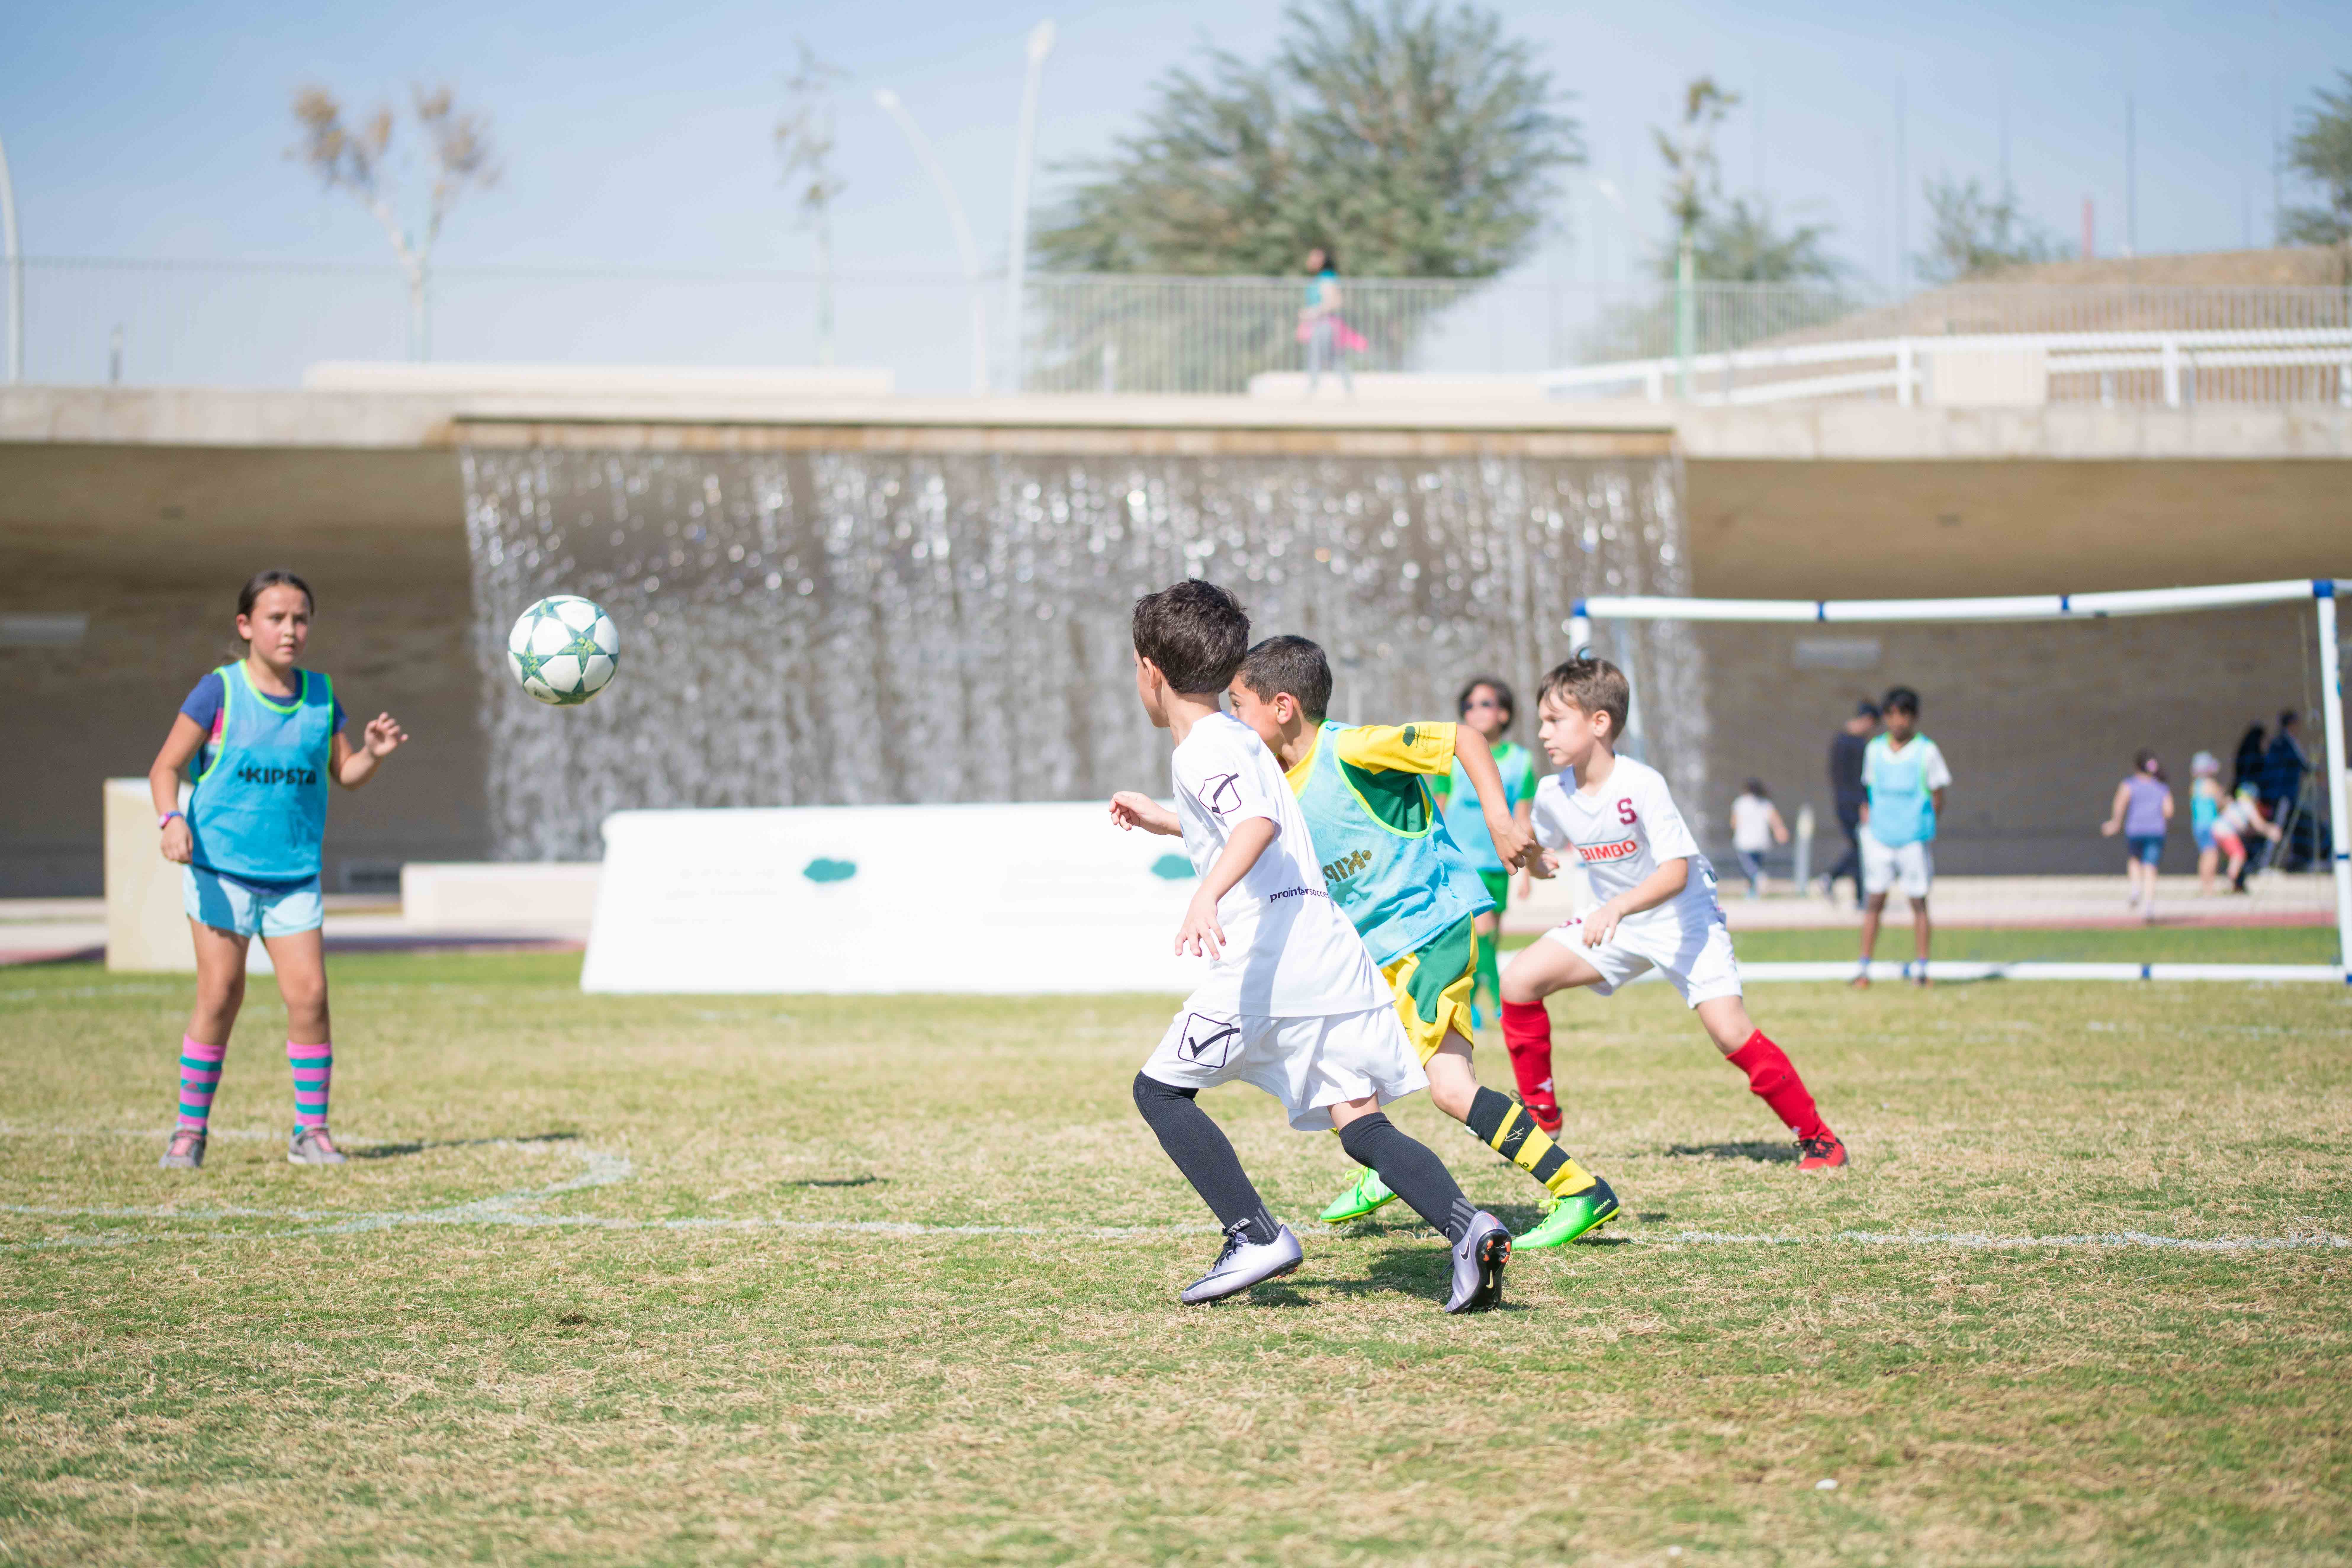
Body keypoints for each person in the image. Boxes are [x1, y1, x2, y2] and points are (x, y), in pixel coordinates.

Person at [1108, 581, 1512, 1312]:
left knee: (1159, 1090)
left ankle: (1253, 1233)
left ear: (1149, 671)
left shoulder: (1203, 747)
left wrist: (1204, 895)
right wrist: (1170, 822)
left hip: (1269, 956)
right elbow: (1262, 817)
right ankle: (1465, 1225)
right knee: (1357, 1119)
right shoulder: (1238, 737)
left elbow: (1256, 823)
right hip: (1329, 949)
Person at [1226, 637, 1621, 1252]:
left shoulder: (1350, 747)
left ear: (1283, 707)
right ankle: (1380, 1167)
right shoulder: (1276, 781)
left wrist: (1497, 816)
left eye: (1238, 704)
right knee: (1343, 1076)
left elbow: (1465, 740)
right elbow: (1245, 830)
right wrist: (1160, 816)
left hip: (1433, 928)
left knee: (1451, 1088)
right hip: (1378, 953)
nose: (1232, 721)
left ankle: (1578, 1189)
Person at [1498, 657, 1849, 1170]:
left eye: (1554, 721)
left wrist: (1614, 907)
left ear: (1599, 723)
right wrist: (1531, 856)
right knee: (1518, 981)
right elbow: (1545, 862)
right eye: (1541, 721)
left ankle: (1819, 1140)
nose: (1542, 733)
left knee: (1729, 1032)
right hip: (1615, 922)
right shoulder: (1552, 794)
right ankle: (1542, 1116)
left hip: (1682, 920)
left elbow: (1675, 874)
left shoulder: (1641, 784)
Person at [150, 569, 409, 1170]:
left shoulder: (321, 695)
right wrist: (171, 819)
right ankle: (189, 1134)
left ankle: (310, 1132)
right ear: (246, 626)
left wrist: (371, 752)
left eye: (300, 618)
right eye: (275, 618)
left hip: (293, 876)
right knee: (220, 995)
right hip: (222, 871)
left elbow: (344, 774)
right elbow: (166, 767)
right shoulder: (217, 692)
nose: (290, 629)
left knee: (311, 996)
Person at [1429, 675, 1537, 1024]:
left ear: (1505, 713)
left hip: (1499, 862)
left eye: (1486, 704)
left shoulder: (1521, 761)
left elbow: (1523, 816)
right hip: (1462, 861)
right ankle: (1500, 1003)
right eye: (1470, 706)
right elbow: (1439, 808)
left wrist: (1529, 867)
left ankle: (1474, 1001)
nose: (1476, 712)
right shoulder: (1451, 758)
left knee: (1491, 937)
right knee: (1483, 931)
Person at [1853, 687, 1950, 988]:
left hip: (1913, 838)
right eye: (1892, 714)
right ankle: (1864, 968)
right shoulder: (1874, 750)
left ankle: (1923, 968)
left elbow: (1938, 793)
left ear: (1914, 717)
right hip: (1880, 838)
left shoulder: (1927, 750)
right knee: (1874, 901)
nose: (1897, 721)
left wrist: (1923, 823)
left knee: (1918, 902)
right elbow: (1868, 791)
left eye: (1904, 714)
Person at [2099, 750, 2174, 923]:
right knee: (2151, 867)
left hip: (2136, 830)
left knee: (2135, 860)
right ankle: (2149, 906)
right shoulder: (2161, 787)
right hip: (2156, 831)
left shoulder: (2130, 784)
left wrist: (2116, 822)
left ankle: (2135, 889)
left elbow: (2120, 803)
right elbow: (2169, 811)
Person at [1820, 702, 1880, 908]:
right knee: (1861, 849)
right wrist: (1865, 804)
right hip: (1855, 804)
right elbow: (1861, 779)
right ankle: (1832, 877)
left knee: (1858, 847)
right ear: (1869, 721)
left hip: (1841, 801)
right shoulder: (1860, 745)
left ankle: (1860, 897)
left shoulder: (1839, 741)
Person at [1297, 245, 1361, 398]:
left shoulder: (1327, 279)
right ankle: (1348, 391)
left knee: (1321, 357)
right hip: (1321, 323)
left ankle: (1312, 391)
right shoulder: (1322, 279)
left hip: (1324, 324)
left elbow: (1335, 302)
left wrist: (1312, 313)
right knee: (1335, 358)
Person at [2258, 711, 2311, 866]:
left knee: (2292, 827)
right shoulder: (2283, 743)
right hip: (2283, 794)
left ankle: (2291, 860)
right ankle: (2266, 863)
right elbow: (2300, 764)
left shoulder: (2285, 743)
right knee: (2277, 827)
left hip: (2288, 794)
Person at [2213, 783, 2284, 892]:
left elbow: (2246, 829)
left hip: (2218, 831)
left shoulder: (2236, 804)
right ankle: (2229, 883)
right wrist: (2271, 831)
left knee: (2233, 858)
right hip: (2226, 832)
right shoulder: (2247, 805)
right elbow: (2258, 825)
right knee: (2239, 855)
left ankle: (2236, 885)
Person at [1730, 779, 1790, 898]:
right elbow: (1776, 821)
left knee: (1749, 868)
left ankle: (1759, 879)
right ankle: (1752, 893)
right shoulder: (1766, 804)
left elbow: (1734, 823)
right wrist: (1781, 832)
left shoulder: (1740, 803)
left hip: (1744, 842)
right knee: (1755, 866)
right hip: (1762, 841)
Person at [2189, 751, 2227, 897]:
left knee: (2205, 854)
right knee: (2212, 855)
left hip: (2198, 825)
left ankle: (2205, 886)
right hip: (2210, 825)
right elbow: (2220, 803)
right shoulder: (2211, 784)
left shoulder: (2195, 786)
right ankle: (2209, 888)